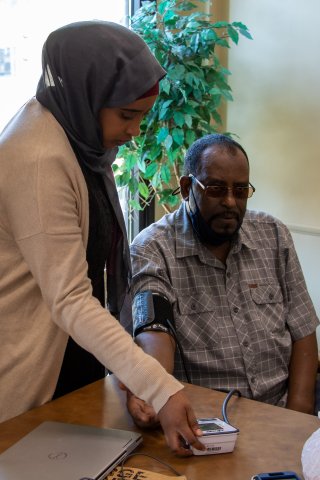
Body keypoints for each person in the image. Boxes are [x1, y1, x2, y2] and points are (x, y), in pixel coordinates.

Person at [0, 20, 205, 455]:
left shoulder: (78, 139)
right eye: (127, 115)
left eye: (142, 117)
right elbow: (71, 297)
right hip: (28, 374)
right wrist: (159, 387)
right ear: (84, 95)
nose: (134, 132)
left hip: (72, 363)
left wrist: (132, 375)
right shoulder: (37, 157)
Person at [126, 133, 319, 427]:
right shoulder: (152, 248)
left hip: (281, 412)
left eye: (240, 191)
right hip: (207, 425)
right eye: (216, 189)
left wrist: (296, 420)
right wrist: (156, 391)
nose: (230, 202)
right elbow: (155, 329)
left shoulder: (274, 235)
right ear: (187, 188)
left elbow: (303, 334)